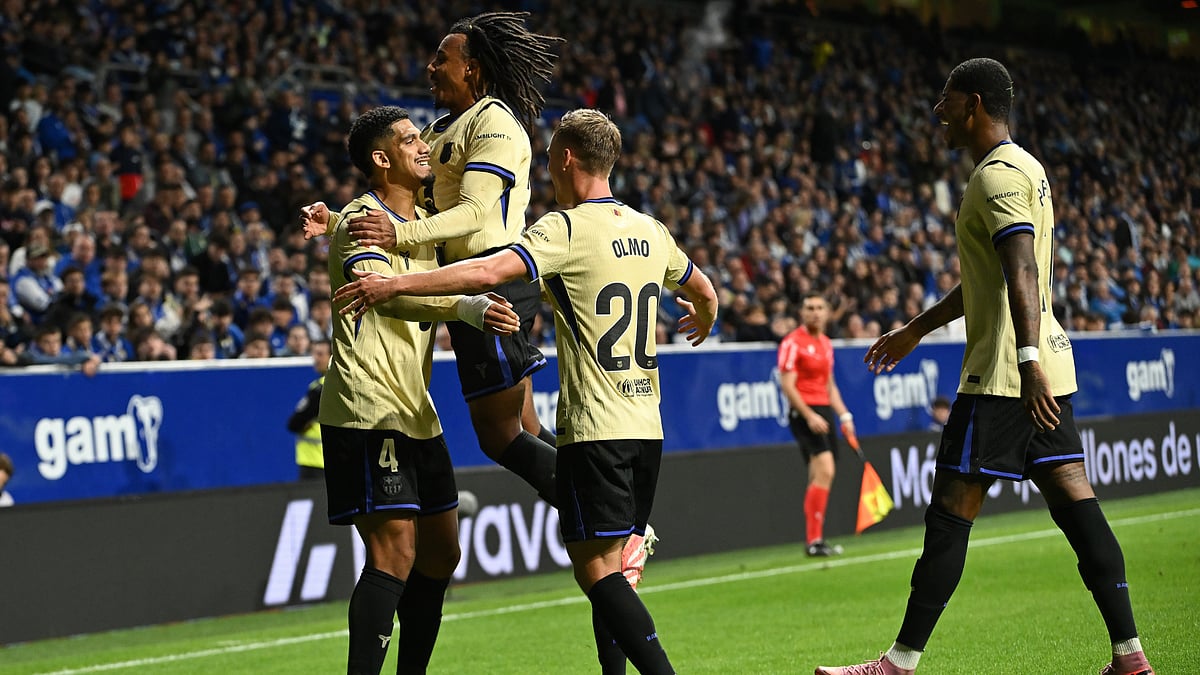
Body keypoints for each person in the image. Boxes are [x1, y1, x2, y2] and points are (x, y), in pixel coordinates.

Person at [334, 108, 718, 675]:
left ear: (565, 158)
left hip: (592, 428)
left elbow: (486, 270)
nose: (426, 145)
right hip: (646, 426)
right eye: (412, 139)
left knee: (596, 572)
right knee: (592, 562)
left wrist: (398, 281)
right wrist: (705, 313)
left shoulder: (560, 230)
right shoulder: (650, 229)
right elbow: (703, 288)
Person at [817, 58, 1153, 675]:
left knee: (950, 508)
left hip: (1005, 375)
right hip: (1049, 365)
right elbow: (992, 279)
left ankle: (898, 663)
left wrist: (1024, 364)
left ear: (972, 104)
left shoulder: (994, 176)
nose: (937, 112)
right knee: (1076, 502)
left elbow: (1020, 268)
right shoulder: (1028, 167)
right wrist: (917, 330)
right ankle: (1131, 658)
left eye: (945, 100)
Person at [304, 13, 661, 585]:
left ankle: (616, 524)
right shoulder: (453, 126)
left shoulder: (494, 121)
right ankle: (612, 518)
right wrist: (339, 218)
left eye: (441, 59)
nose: (430, 67)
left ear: (472, 67)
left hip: (488, 280)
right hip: (473, 282)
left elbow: (472, 213)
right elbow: (397, 195)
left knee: (502, 437)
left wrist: (399, 237)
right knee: (521, 425)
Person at [321, 105, 520, 675]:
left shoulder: (423, 219)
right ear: (381, 160)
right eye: (410, 141)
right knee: (395, 553)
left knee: (442, 553)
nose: (423, 146)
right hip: (369, 404)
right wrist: (466, 307)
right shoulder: (362, 220)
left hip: (416, 409)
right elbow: (385, 291)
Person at [777, 292, 855, 557]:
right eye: (809, 308)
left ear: (828, 313)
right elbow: (787, 385)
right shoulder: (792, 343)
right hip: (804, 412)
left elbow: (829, 385)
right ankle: (814, 540)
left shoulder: (825, 344)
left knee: (819, 474)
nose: (815, 312)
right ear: (802, 312)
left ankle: (814, 540)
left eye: (820, 308)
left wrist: (844, 415)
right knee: (826, 470)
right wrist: (809, 415)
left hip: (824, 410)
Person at [287, 338, 330, 481]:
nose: (315, 359)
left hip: (314, 460)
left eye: (320, 354)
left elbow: (294, 423)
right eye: (314, 354)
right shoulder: (342, 385)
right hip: (332, 460)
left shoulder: (320, 389)